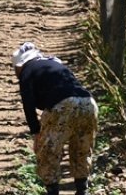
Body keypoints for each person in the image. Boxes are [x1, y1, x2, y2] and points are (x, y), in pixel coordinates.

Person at [12, 41, 98, 195]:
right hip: (88, 102)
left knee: (48, 151)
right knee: (82, 149)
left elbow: (28, 103)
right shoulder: (54, 63)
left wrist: (36, 132)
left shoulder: (26, 71)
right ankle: (82, 190)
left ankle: (52, 192)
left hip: (63, 105)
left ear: (19, 65)